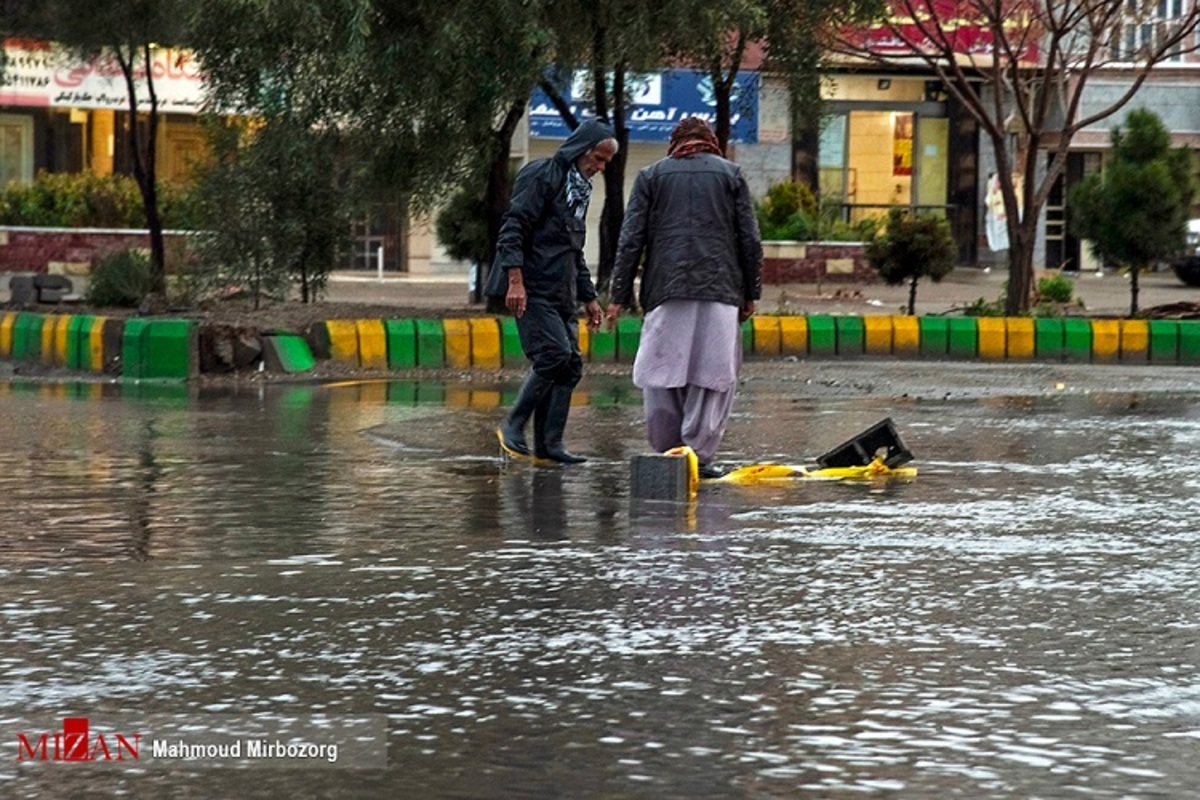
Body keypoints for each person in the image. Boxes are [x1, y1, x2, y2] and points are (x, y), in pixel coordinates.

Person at [605, 117, 762, 479]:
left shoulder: (651, 176)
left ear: (676, 142)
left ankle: (667, 450)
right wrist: (751, 292)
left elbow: (631, 240)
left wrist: (618, 295)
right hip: (721, 290)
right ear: (710, 141)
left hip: (665, 288)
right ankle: (698, 455)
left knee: (662, 372)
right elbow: (749, 239)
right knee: (713, 375)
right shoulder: (732, 174)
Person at [489, 118, 618, 464]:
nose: (600, 167)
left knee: (571, 364)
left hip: (560, 291)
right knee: (553, 355)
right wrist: (515, 281)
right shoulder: (542, 175)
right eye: (598, 158)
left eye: (606, 162)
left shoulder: (580, 191)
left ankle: (549, 445)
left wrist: (589, 297)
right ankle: (513, 425)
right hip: (531, 289)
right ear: (581, 149)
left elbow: (572, 250)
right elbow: (513, 228)